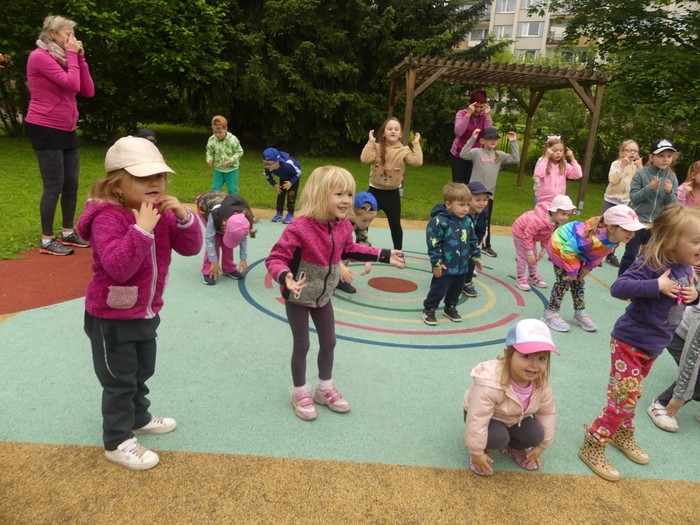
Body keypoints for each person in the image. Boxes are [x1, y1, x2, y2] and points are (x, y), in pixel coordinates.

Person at [77, 136, 203, 470]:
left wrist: (184, 217)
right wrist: (142, 230)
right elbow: (118, 267)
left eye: (159, 176)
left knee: (142, 370)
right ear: (117, 185)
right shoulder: (108, 218)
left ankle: (138, 416)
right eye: (143, 177)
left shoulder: (160, 212)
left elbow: (190, 248)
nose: (155, 183)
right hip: (111, 318)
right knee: (119, 380)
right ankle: (117, 440)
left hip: (146, 311)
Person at [265, 166, 405, 421]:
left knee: (329, 342)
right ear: (320, 195)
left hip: (323, 296)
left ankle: (324, 388)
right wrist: (286, 277)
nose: (346, 200)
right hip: (298, 294)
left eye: (349, 194)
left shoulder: (342, 226)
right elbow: (276, 258)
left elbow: (349, 249)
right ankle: (300, 392)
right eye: (339, 194)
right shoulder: (299, 227)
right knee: (302, 344)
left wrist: (384, 254)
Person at [579, 203, 700, 482]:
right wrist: (656, 285)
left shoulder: (686, 268)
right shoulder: (651, 264)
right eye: (695, 241)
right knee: (623, 398)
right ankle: (594, 442)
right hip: (629, 342)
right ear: (670, 240)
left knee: (633, 393)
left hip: (652, 346)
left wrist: (695, 295)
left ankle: (622, 433)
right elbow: (619, 287)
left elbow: (685, 299)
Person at [26, 15, 95, 255]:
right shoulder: (39, 57)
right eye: (68, 33)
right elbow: (71, 84)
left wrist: (81, 58)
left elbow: (88, 90)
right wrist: (74, 56)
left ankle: (67, 232)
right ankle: (47, 239)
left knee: (71, 184)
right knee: (54, 185)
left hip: (66, 128)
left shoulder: (66, 58)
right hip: (44, 126)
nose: (72, 38)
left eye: (73, 34)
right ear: (52, 33)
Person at [463, 318, 559, 476]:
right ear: (508, 353)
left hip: (514, 417)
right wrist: (476, 452)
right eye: (526, 356)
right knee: (497, 437)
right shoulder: (490, 382)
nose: (534, 365)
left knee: (535, 435)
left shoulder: (540, 383)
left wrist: (542, 445)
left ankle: (513, 447)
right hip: (488, 417)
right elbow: (477, 418)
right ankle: (483, 451)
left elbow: (547, 413)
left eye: (542, 358)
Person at [541, 205, 644, 333]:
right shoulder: (591, 239)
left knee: (579, 281)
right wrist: (572, 272)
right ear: (611, 228)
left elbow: (599, 253)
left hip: (575, 251)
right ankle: (551, 312)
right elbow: (567, 250)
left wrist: (588, 267)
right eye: (627, 229)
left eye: (633, 230)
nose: (632, 234)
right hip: (560, 246)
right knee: (564, 281)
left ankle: (579, 312)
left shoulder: (615, 238)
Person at [422, 183, 482, 326]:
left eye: (468, 205)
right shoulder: (439, 221)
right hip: (444, 266)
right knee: (439, 289)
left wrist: (476, 256)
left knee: (456, 289)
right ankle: (429, 309)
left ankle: (450, 307)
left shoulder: (468, 221)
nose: (466, 208)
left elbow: (472, 240)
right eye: (461, 205)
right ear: (448, 205)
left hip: (462, 265)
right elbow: (433, 243)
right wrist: (436, 263)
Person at [618, 139, 679, 276]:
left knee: (649, 257)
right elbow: (634, 197)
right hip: (637, 222)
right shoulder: (641, 174)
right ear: (652, 157)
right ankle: (621, 281)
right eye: (661, 156)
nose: (665, 159)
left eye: (669, 156)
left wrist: (669, 192)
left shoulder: (672, 177)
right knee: (630, 254)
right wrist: (649, 188)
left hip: (656, 225)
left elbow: (673, 205)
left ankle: (640, 280)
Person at [360, 117, 423, 250]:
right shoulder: (377, 147)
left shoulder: (404, 150)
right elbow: (365, 159)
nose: (393, 131)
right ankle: (362, 249)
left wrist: (416, 143)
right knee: (364, 222)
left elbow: (417, 162)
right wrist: (371, 142)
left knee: (395, 225)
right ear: (383, 133)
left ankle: (398, 252)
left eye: (396, 129)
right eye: (389, 129)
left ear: (400, 134)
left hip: (392, 195)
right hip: (374, 192)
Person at [459, 127, 520, 257]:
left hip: (487, 196)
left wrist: (513, 141)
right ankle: (462, 243)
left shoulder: (499, 155)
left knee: (485, 222)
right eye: (490, 138)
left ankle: (485, 246)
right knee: (466, 218)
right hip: (473, 194)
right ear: (482, 141)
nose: (493, 140)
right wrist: (472, 138)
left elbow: (515, 159)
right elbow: (463, 154)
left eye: (495, 139)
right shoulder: (476, 152)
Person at [647, 304, 700, 432]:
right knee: (697, 375)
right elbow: (692, 358)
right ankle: (662, 404)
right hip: (680, 336)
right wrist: (679, 396)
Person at [511, 195, 577, 292]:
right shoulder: (538, 221)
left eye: (568, 215)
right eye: (563, 214)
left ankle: (532, 276)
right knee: (523, 256)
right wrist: (529, 252)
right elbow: (527, 235)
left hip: (531, 236)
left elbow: (547, 235)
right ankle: (520, 278)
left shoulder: (555, 222)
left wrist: (543, 250)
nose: (566, 217)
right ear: (554, 211)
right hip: (520, 232)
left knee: (534, 256)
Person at [195, 191, 257, 285]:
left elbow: (242, 238)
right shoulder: (214, 216)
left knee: (229, 239)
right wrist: (214, 261)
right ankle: (209, 270)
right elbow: (209, 240)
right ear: (224, 224)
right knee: (216, 239)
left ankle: (228, 268)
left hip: (223, 206)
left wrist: (243, 259)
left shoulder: (243, 220)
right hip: (204, 205)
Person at [602, 140, 643, 267]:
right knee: (604, 227)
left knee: (620, 229)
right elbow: (612, 180)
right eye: (629, 150)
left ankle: (610, 254)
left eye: (635, 151)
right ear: (622, 152)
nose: (632, 153)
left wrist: (640, 167)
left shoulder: (636, 167)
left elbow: (643, 182)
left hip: (625, 202)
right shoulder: (616, 164)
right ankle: (598, 251)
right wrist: (622, 166)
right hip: (610, 200)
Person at [336, 192, 379, 294]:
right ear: (352, 213)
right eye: (364, 220)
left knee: (347, 248)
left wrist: (368, 258)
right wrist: (340, 266)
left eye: (370, 221)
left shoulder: (356, 222)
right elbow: (329, 248)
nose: (367, 224)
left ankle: (339, 280)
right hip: (318, 249)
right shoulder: (338, 222)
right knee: (343, 249)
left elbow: (363, 239)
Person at [449, 88, 493, 184]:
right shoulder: (461, 113)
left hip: (475, 156)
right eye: (476, 106)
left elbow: (488, 135)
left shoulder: (485, 116)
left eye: (481, 107)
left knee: (472, 185)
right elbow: (458, 132)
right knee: (458, 186)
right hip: (458, 154)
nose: (478, 110)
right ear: (470, 104)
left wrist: (488, 117)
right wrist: (468, 114)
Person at [532, 136, 582, 205]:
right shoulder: (544, 163)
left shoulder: (564, 165)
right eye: (555, 151)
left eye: (561, 151)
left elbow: (578, 174)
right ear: (548, 151)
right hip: (543, 200)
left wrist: (572, 158)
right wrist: (546, 157)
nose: (558, 153)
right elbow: (538, 174)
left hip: (558, 201)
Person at [462, 181, 490, 298]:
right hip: (456, 243)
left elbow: (481, 229)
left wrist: (474, 244)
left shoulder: (483, 213)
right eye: (478, 200)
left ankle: (467, 283)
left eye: (485, 200)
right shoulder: (461, 212)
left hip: (472, 243)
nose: (482, 203)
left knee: (471, 260)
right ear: (467, 199)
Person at [206, 115, 244, 195]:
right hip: (218, 169)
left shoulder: (233, 139)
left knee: (232, 190)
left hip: (231, 170)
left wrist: (231, 160)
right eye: (215, 132)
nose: (217, 135)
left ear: (225, 129)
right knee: (215, 189)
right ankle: (215, 202)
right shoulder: (212, 140)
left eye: (220, 132)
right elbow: (209, 152)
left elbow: (239, 152)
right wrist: (209, 159)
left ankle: (235, 202)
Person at [262, 147, 302, 224]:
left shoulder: (288, 164)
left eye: (269, 164)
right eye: (265, 163)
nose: (267, 166)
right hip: (283, 177)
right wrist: (274, 184)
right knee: (280, 194)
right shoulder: (268, 167)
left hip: (293, 178)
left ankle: (290, 214)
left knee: (291, 196)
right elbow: (267, 175)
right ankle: (279, 213)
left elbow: (298, 172)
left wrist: (291, 182)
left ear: (277, 162)